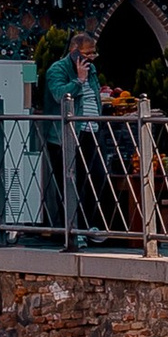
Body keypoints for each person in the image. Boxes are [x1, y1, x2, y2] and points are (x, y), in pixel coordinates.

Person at [43, 29, 105, 237]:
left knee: (96, 177)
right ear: (75, 52)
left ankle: (89, 225)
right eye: (88, 54)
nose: (92, 58)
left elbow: (93, 96)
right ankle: (70, 229)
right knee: (71, 181)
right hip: (69, 135)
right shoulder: (57, 69)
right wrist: (78, 80)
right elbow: (60, 95)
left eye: (94, 54)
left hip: (92, 130)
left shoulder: (92, 70)